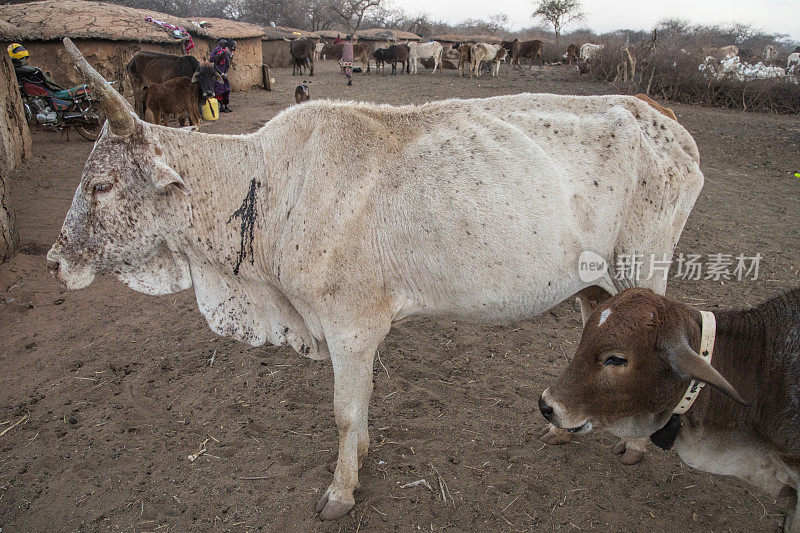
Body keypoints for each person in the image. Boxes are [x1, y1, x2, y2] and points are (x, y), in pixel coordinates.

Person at [210, 38, 235, 112]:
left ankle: (226, 106)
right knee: (220, 91)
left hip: (223, 73)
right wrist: (221, 73)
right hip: (218, 73)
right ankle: (221, 107)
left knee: (226, 90)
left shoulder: (228, 53)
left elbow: (228, 64)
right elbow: (215, 64)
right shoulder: (221, 53)